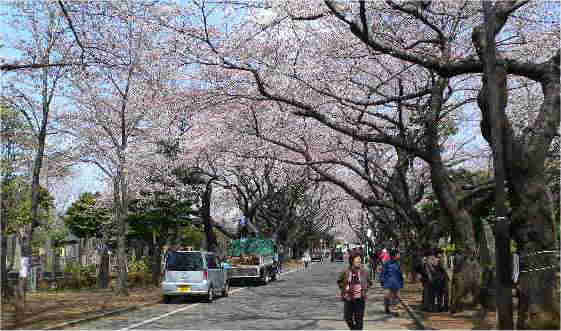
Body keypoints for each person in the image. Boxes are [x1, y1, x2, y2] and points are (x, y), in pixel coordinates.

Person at [337, 253, 369, 330]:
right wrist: (344, 289)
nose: (359, 261)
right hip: (349, 298)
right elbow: (339, 281)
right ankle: (354, 329)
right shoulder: (346, 271)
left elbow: (369, 282)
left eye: (360, 260)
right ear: (352, 261)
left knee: (359, 319)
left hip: (360, 298)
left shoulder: (364, 271)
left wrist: (365, 289)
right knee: (347, 318)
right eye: (357, 260)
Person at [381, 248, 404, 316]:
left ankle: (395, 311)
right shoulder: (387, 263)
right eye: (398, 254)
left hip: (396, 283)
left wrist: (401, 282)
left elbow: (400, 274)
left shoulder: (398, 264)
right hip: (388, 283)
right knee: (387, 296)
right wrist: (382, 280)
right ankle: (387, 307)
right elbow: (383, 272)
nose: (399, 255)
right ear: (394, 255)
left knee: (396, 298)